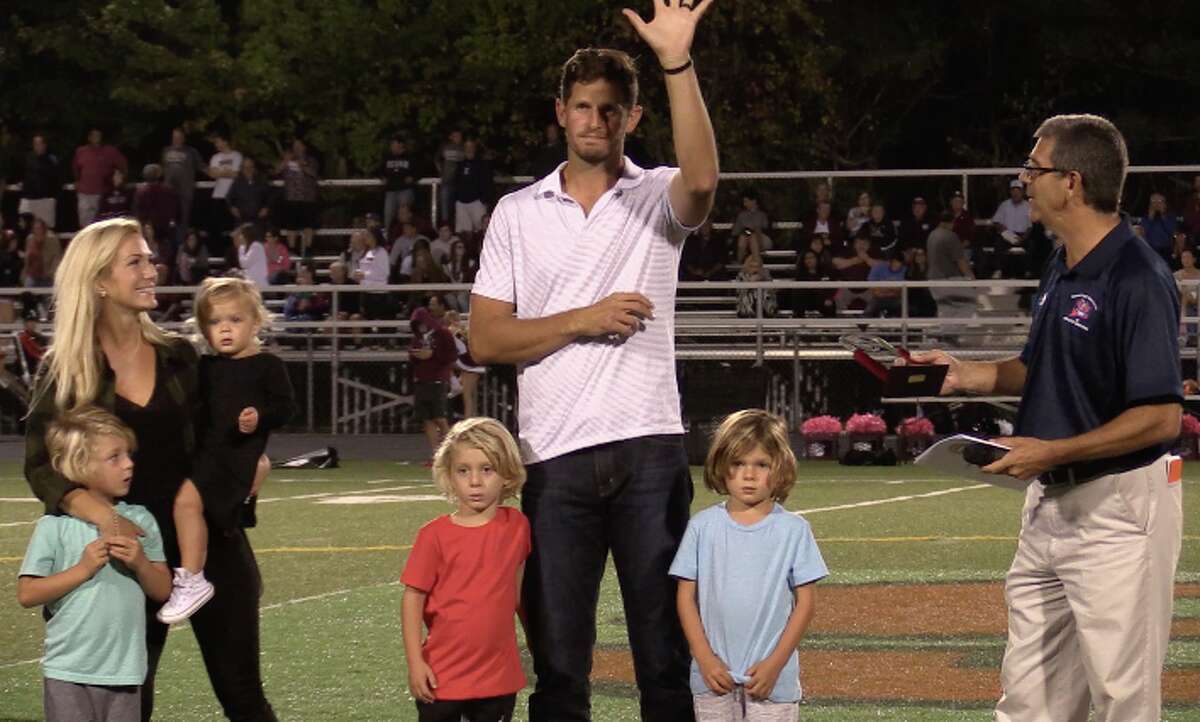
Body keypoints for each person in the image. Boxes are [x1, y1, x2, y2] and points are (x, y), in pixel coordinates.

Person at [469, 2, 719, 717]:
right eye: (583, 106)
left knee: (664, 663)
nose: (595, 121)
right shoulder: (517, 211)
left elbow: (702, 183)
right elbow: (487, 339)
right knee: (559, 667)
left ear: (633, 117)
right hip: (553, 456)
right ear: (561, 112)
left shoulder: (655, 195)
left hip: (648, 450)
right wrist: (585, 319)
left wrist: (677, 61)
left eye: (611, 109)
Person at [908, 115, 1183, 722]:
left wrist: (1052, 452)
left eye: (1034, 169)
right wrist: (966, 373)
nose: (1024, 180)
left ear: (1072, 182)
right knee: (1029, 701)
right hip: (1050, 505)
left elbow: (1162, 417)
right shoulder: (1063, 263)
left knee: (1121, 699)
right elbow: (1041, 366)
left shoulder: (1139, 276)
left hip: (1117, 510)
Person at [23, 217, 278, 720]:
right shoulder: (67, 368)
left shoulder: (179, 355)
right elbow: (40, 464)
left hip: (206, 540)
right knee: (129, 702)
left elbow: (219, 440)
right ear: (99, 280)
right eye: (135, 261)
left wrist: (251, 465)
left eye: (150, 258)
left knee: (244, 697)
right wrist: (106, 520)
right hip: (125, 552)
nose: (151, 270)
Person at [669, 409, 826, 721]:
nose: (749, 474)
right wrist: (705, 659)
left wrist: (774, 665)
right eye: (738, 463)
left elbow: (805, 604)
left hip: (770, 681)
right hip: (714, 679)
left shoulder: (794, 530)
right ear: (721, 465)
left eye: (761, 465)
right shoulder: (702, 527)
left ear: (779, 469)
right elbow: (685, 598)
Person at [18, 406, 172, 722]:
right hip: (68, 670)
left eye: (128, 455)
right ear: (80, 465)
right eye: (114, 457)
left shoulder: (141, 521)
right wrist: (82, 569)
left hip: (124, 672)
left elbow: (163, 590)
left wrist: (140, 563)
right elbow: (28, 593)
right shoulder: (54, 527)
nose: (129, 464)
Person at [161, 277, 295, 621]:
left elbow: (287, 409)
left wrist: (259, 417)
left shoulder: (268, 366)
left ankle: (191, 577)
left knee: (185, 502)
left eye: (235, 320)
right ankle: (240, 577)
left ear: (256, 321)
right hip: (208, 453)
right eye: (215, 322)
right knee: (213, 518)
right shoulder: (206, 367)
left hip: (234, 455)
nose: (225, 329)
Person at [401, 417, 531, 722]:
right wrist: (415, 662)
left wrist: (536, 642)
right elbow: (412, 599)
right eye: (464, 471)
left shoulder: (517, 527)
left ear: (507, 474)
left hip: (498, 678)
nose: (475, 481)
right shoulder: (434, 535)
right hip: (442, 677)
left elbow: (517, 593)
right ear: (449, 475)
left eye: (487, 469)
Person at [410, 306, 457, 462]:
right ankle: (436, 455)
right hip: (421, 379)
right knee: (427, 419)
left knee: (440, 417)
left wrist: (432, 355)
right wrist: (416, 356)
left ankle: (453, 452)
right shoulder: (418, 337)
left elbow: (451, 355)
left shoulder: (443, 334)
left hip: (437, 379)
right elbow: (412, 355)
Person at [73, 128, 127, 228]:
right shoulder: (81, 151)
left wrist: (120, 180)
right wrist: (77, 182)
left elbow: (123, 165)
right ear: (89, 137)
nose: (96, 138)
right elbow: (75, 169)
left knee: (101, 224)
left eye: (98, 135)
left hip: (102, 193)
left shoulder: (110, 151)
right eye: (93, 135)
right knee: (85, 223)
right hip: (84, 193)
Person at [235, 222, 269, 287]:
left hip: (257, 284)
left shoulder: (256, 246)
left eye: (241, 234)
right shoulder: (246, 247)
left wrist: (240, 249)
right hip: (249, 282)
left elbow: (244, 264)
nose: (239, 237)